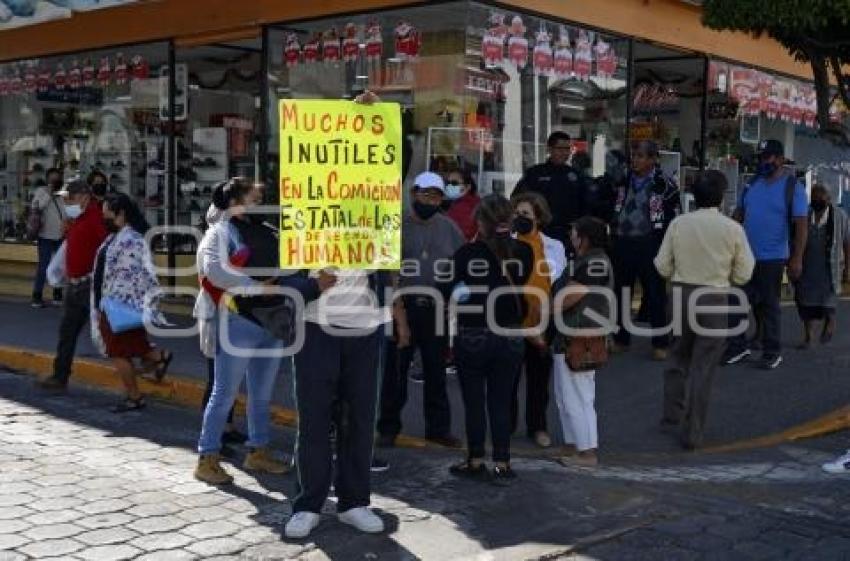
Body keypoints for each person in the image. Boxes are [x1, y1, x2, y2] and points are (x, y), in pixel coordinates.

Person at [195, 179, 332, 485]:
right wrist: (257, 287)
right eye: (254, 198)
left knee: (261, 394)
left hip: (270, 322)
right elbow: (214, 272)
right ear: (234, 203)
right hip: (237, 321)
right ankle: (207, 458)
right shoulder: (219, 233)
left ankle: (258, 451)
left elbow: (289, 265)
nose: (261, 203)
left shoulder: (268, 231)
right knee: (224, 392)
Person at [654, 171, 754, 449]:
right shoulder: (733, 229)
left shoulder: (678, 224)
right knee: (704, 365)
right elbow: (745, 273)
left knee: (677, 356)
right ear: (721, 198)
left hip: (680, 294)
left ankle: (671, 416)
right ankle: (693, 431)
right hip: (714, 296)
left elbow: (662, 265)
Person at [439, 194, 533, 484]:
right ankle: (503, 462)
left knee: (474, 400)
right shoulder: (524, 253)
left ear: (481, 221)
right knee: (502, 400)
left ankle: (476, 458)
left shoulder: (467, 254)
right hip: (510, 333)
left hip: (474, 332)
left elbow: (443, 289)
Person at [377, 171, 464, 449]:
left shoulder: (450, 228)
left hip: (437, 308)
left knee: (436, 372)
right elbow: (386, 270)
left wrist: (455, 301)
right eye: (425, 194)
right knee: (395, 373)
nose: (430, 200)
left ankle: (438, 429)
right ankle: (388, 427)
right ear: (413, 193)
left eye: (436, 195)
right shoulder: (395, 224)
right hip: (402, 307)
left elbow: (461, 267)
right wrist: (395, 307)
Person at [723, 139, 808, 370]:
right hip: (745, 256)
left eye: (768, 157)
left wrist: (797, 258)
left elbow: (801, 225)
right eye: (760, 157)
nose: (763, 162)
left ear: (780, 159)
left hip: (773, 256)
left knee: (769, 304)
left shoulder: (793, 187)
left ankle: (772, 351)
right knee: (735, 300)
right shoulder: (751, 184)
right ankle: (737, 346)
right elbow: (739, 214)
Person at [91, 193, 173, 412]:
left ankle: (135, 396)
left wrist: (108, 306)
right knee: (132, 345)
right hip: (114, 305)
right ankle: (159, 357)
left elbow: (130, 277)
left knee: (118, 352)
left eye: (107, 214)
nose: (104, 218)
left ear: (121, 214)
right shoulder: (117, 237)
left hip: (118, 306)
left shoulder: (131, 240)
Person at [551, 216, 613, 467]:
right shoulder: (588, 260)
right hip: (571, 334)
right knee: (566, 395)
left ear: (584, 238)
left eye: (575, 233)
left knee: (578, 395)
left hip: (579, 336)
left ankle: (586, 451)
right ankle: (572, 444)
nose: (571, 237)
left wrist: (547, 309)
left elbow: (570, 295)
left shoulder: (594, 262)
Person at [610, 140, 680, 360]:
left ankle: (660, 343)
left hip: (651, 244)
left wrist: (668, 249)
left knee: (655, 294)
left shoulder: (665, 184)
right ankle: (621, 339)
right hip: (622, 242)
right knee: (621, 292)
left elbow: (673, 219)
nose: (636, 160)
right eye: (634, 155)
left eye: (641, 156)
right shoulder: (623, 180)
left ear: (652, 159)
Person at [38, 180, 108, 391]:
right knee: (67, 332)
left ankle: (151, 358)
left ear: (83, 197)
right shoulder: (78, 218)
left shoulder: (96, 217)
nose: (66, 202)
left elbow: (106, 247)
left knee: (111, 333)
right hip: (74, 285)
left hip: (90, 284)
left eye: (69, 198)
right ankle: (60, 376)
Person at [509, 191, 567, 448]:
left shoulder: (554, 246)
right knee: (508, 377)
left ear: (539, 218)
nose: (520, 218)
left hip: (542, 320)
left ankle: (538, 427)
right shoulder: (505, 243)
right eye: (517, 213)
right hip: (511, 319)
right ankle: (506, 425)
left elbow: (557, 281)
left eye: (526, 215)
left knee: (539, 379)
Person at [195, 202, 246, 458]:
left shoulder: (228, 240)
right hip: (215, 312)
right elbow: (213, 277)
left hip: (227, 310)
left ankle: (227, 427)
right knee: (216, 380)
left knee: (227, 378)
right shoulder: (212, 242)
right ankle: (212, 438)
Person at [793, 184, 850, 348]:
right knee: (805, 305)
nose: (817, 201)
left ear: (829, 199)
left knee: (828, 303)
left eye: (821, 198)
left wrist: (848, 266)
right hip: (808, 266)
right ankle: (809, 337)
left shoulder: (840, 216)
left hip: (830, 268)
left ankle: (830, 323)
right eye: (814, 198)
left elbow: (847, 242)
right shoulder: (805, 215)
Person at [513, 131, 586, 247]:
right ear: (549, 149)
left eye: (567, 149)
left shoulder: (576, 176)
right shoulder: (535, 173)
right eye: (560, 148)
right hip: (539, 232)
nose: (564, 153)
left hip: (567, 235)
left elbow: (585, 206)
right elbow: (517, 199)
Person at [30, 167, 66, 308]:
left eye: (57, 178)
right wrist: (49, 194)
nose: (55, 181)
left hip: (60, 235)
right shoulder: (41, 192)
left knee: (59, 266)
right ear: (47, 180)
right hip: (45, 235)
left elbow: (67, 212)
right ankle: (37, 295)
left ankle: (57, 294)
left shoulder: (63, 194)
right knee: (43, 266)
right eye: (52, 179)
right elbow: (36, 207)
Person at [444, 167, 481, 241]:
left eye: (454, 183)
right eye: (447, 183)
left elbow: (463, 235)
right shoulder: (475, 202)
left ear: (468, 187)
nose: (449, 186)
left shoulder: (464, 207)